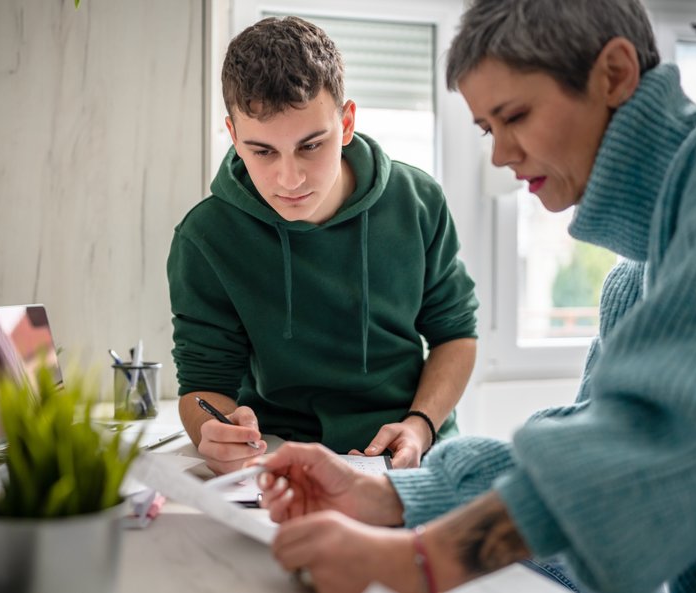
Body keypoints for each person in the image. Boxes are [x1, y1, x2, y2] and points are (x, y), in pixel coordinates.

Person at [255, 1, 696, 592]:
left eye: (515, 115)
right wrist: (383, 491)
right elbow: (588, 444)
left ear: (614, 74)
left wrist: (417, 560)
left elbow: (656, 441)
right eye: (489, 128)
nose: (501, 154)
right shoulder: (631, 278)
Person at [167, 16, 479, 474]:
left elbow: (456, 334)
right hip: (278, 460)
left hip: (409, 454)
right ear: (233, 136)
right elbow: (201, 386)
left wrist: (420, 424)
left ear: (346, 122)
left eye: (311, 145)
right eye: (263, 151)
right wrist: (212, 433)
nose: (288, 179)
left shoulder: (418, 202)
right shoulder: (205, 238)